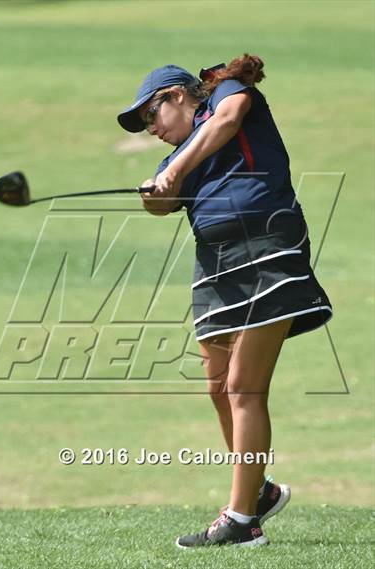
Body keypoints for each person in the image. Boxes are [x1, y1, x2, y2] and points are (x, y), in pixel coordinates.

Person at [117, 54, 333, 548]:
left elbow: (229, 119)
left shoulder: (226, 91)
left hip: (267, 245)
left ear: (177, 96)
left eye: (151, 115)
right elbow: (161, 205)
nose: (150, 129)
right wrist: (155, 188)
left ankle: (241, 521)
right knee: (218, 387)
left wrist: (177, 167)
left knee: (244, 388)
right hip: (214, 263)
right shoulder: (174, 158)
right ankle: (258, 492)